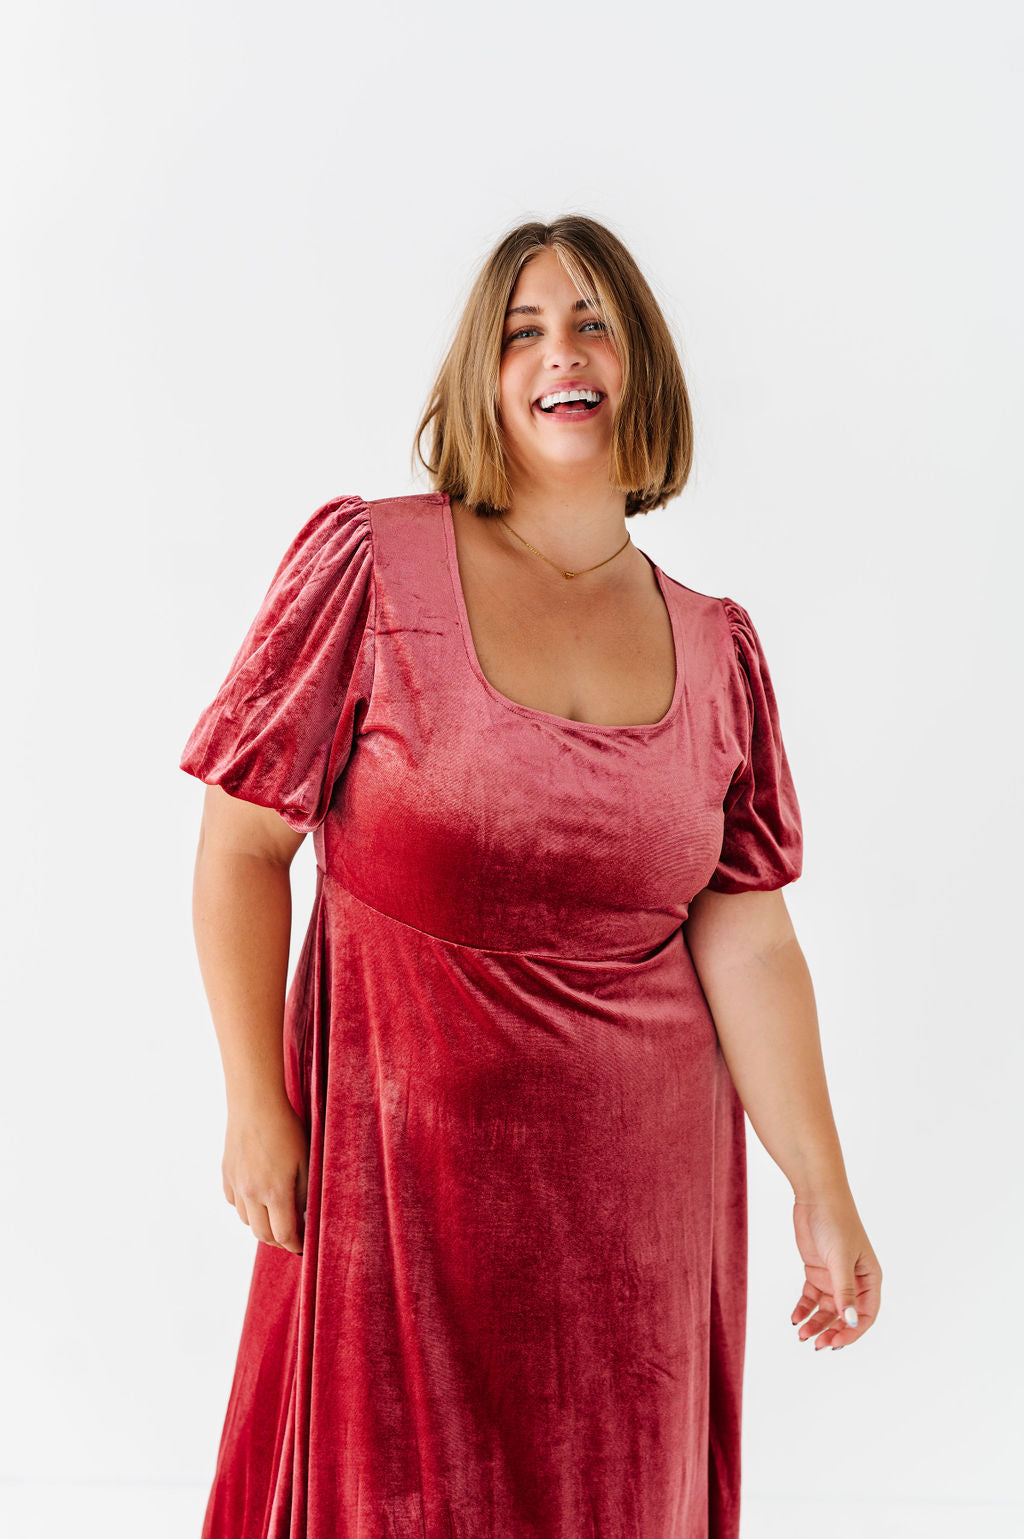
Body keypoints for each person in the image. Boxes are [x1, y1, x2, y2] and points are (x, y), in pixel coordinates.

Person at [180, 213, 882, 1539]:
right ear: (483, 377)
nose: (562, 353)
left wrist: (822, 1186)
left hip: (640, 1222)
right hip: (398, 1189)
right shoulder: (370, 565)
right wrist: (254, 1103)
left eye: (592, 323)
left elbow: (750, 941)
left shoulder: (716, 647)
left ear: (640, 365)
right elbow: (242, 845)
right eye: (524, 332)